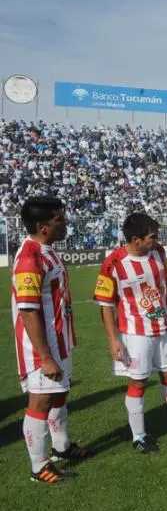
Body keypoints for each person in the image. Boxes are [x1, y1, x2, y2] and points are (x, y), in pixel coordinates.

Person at [94, 212, 167, 454]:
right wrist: (112, 340)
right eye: (152, 236)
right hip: (135, 333)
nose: (157, 239)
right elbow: (106, 305)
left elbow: (166, 289)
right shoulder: (113, 263)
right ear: (135, 239)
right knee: (138, 382)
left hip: (163, 328)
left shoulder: (159, 253)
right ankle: (139, 436)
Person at [13, 197, 87, 483]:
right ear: (43, 226)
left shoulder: (48, 251)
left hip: (60, 340)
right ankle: (38, 467)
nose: (65, 224)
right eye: (60, 220)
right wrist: (44, 356)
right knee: (40, 401)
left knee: (59, 395)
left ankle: (61, 447)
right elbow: (29, 311)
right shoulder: (30, 258)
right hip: (41, 347)